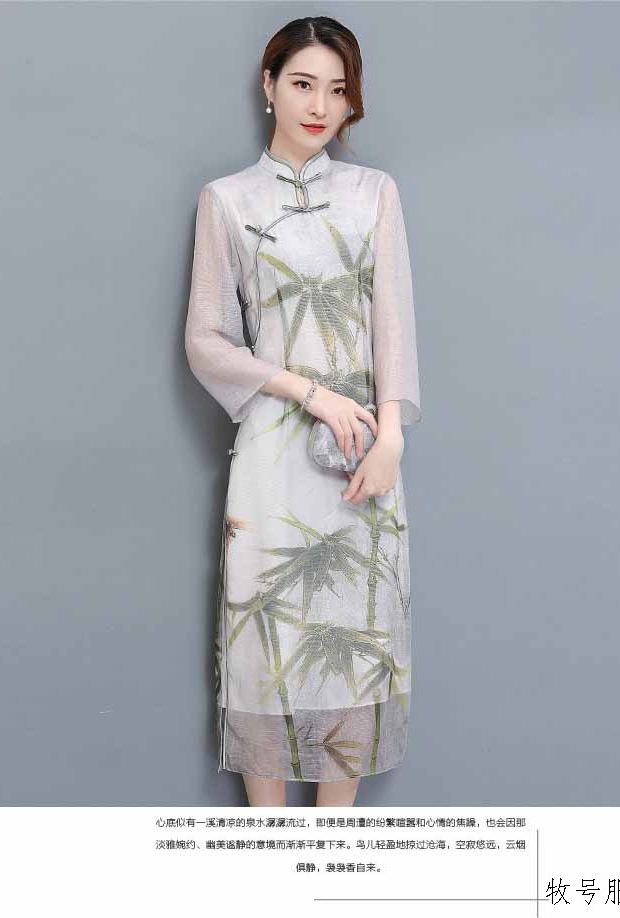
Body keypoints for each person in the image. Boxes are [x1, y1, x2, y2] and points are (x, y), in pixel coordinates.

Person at [185, 16, 421, 807]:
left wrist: (391, 436)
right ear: (269, 86)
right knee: (266, 643)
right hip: (271, 456)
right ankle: (272, 855)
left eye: (338, 89)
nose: (320, 106)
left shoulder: (373, 193)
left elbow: (393, 325)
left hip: (362, 458)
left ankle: (331, 850)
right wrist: (306, 391)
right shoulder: (227, 201)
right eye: (302, 84)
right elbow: (207, 340)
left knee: (353, 639)